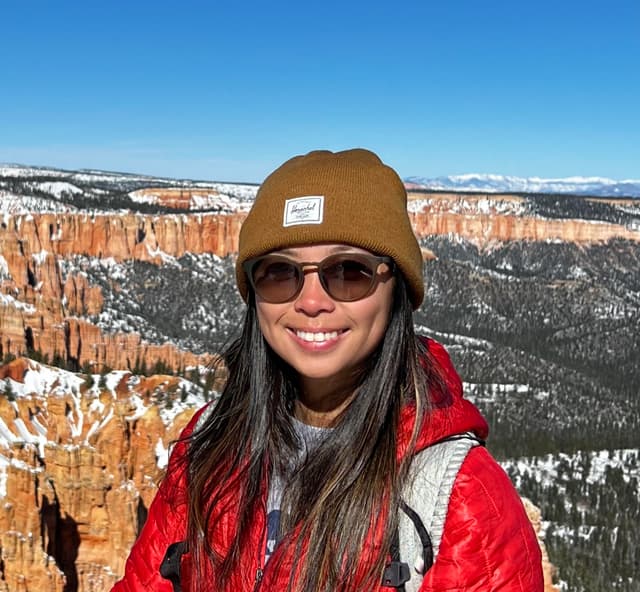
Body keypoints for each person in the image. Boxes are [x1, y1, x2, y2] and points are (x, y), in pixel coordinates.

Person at [112, 148, 544, 592]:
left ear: (397, 288)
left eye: (348, 271)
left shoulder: (462, 499)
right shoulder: (208, 445)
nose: (313, 301)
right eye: (280, 272)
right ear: (253, 293)